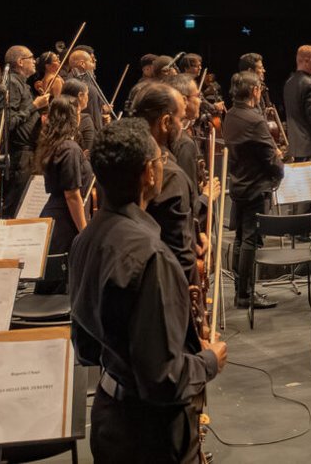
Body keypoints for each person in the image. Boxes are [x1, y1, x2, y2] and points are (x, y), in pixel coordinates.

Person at [68, 117, 226, 464]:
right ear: (148, 174)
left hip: (109, 417)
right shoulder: (151, 256)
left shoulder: (84, 240)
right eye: (159, 161)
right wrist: (209, 361)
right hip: (150, 432)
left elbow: (85, 349)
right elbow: (163, 380)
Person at [220, 70, 284, 309]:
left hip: (239, 183)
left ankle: (241, 291)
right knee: (251, 240)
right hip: (256, 187)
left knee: (240, 239)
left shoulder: (231, 115)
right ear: (255, 91)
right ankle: (246, 295)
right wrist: (280, 166)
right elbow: (269, 157)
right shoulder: (255, 120)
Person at [132, 82, 199, 285]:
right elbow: (180, 254)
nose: (182, 126)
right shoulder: (169, 175)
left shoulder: (118, 154)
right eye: (180, 119)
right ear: (165, 122)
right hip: (162, 283)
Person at [33, 85, 92, 289]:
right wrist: (84, 232)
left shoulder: (56, 144)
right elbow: (72, 195)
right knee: (60, 286)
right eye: (77, 113)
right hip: (65, 221)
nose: (80, 117)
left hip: (57, 216)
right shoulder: (70, 148)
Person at [0, 45, 40, 214]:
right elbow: (7, 121)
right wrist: (34, 106)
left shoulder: (22, 84)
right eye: (31, 58)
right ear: (21, 62)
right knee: (15, 206)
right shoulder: (12, 84)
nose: (35, 61)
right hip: (19, 156)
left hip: (26, 155)